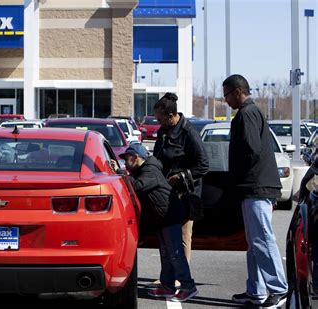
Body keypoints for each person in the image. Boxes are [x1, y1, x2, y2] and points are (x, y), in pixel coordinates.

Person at [223, 74, 288, 307]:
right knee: (254, 242)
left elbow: (251, 150)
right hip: (255, 187)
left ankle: (279, 290)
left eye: (227, 95)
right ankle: (256, 291)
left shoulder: (248, 113)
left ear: (238, 91)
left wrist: (237, 177)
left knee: (262, 239)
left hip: (256, 187)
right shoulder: (250, 112)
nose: (226, 100)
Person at [111, 144, 198, 302]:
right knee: (166, 254)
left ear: (137, 158)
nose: (126, 163)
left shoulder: (150, 170)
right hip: (162, 217)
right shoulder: (143, 170)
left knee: (175, 254)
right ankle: (167, 286)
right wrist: (122, 172)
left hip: (169, 216)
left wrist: (119, 173)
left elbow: (136, 186)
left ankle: (188, 286)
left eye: (128, 159)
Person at [152, 93, 209, 266]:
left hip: (186, 194)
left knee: (183, 236)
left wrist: (181, 177)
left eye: (160, 119)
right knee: (166, 236)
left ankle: (182, 277)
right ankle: (168, 275)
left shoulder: (189, 133)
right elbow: (157, 158)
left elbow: (203, 165)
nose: (158, 123)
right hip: (166, 194)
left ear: (171, 116)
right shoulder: (163, 132)